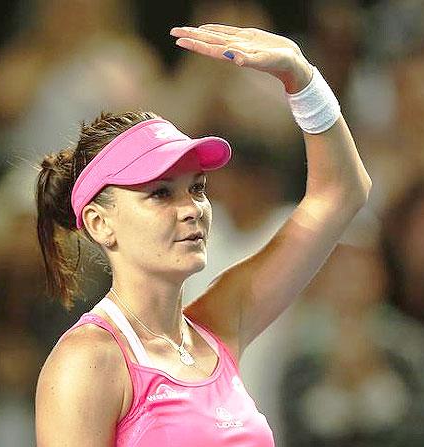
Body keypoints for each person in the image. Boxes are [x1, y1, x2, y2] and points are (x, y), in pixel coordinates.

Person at [34, 23, 371, 446]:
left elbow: (341, 194)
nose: (191, 209)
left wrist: (302, 79)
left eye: (196, 188)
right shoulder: (88, 361)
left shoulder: (221, 322)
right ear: (101, 223)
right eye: (160, 194)